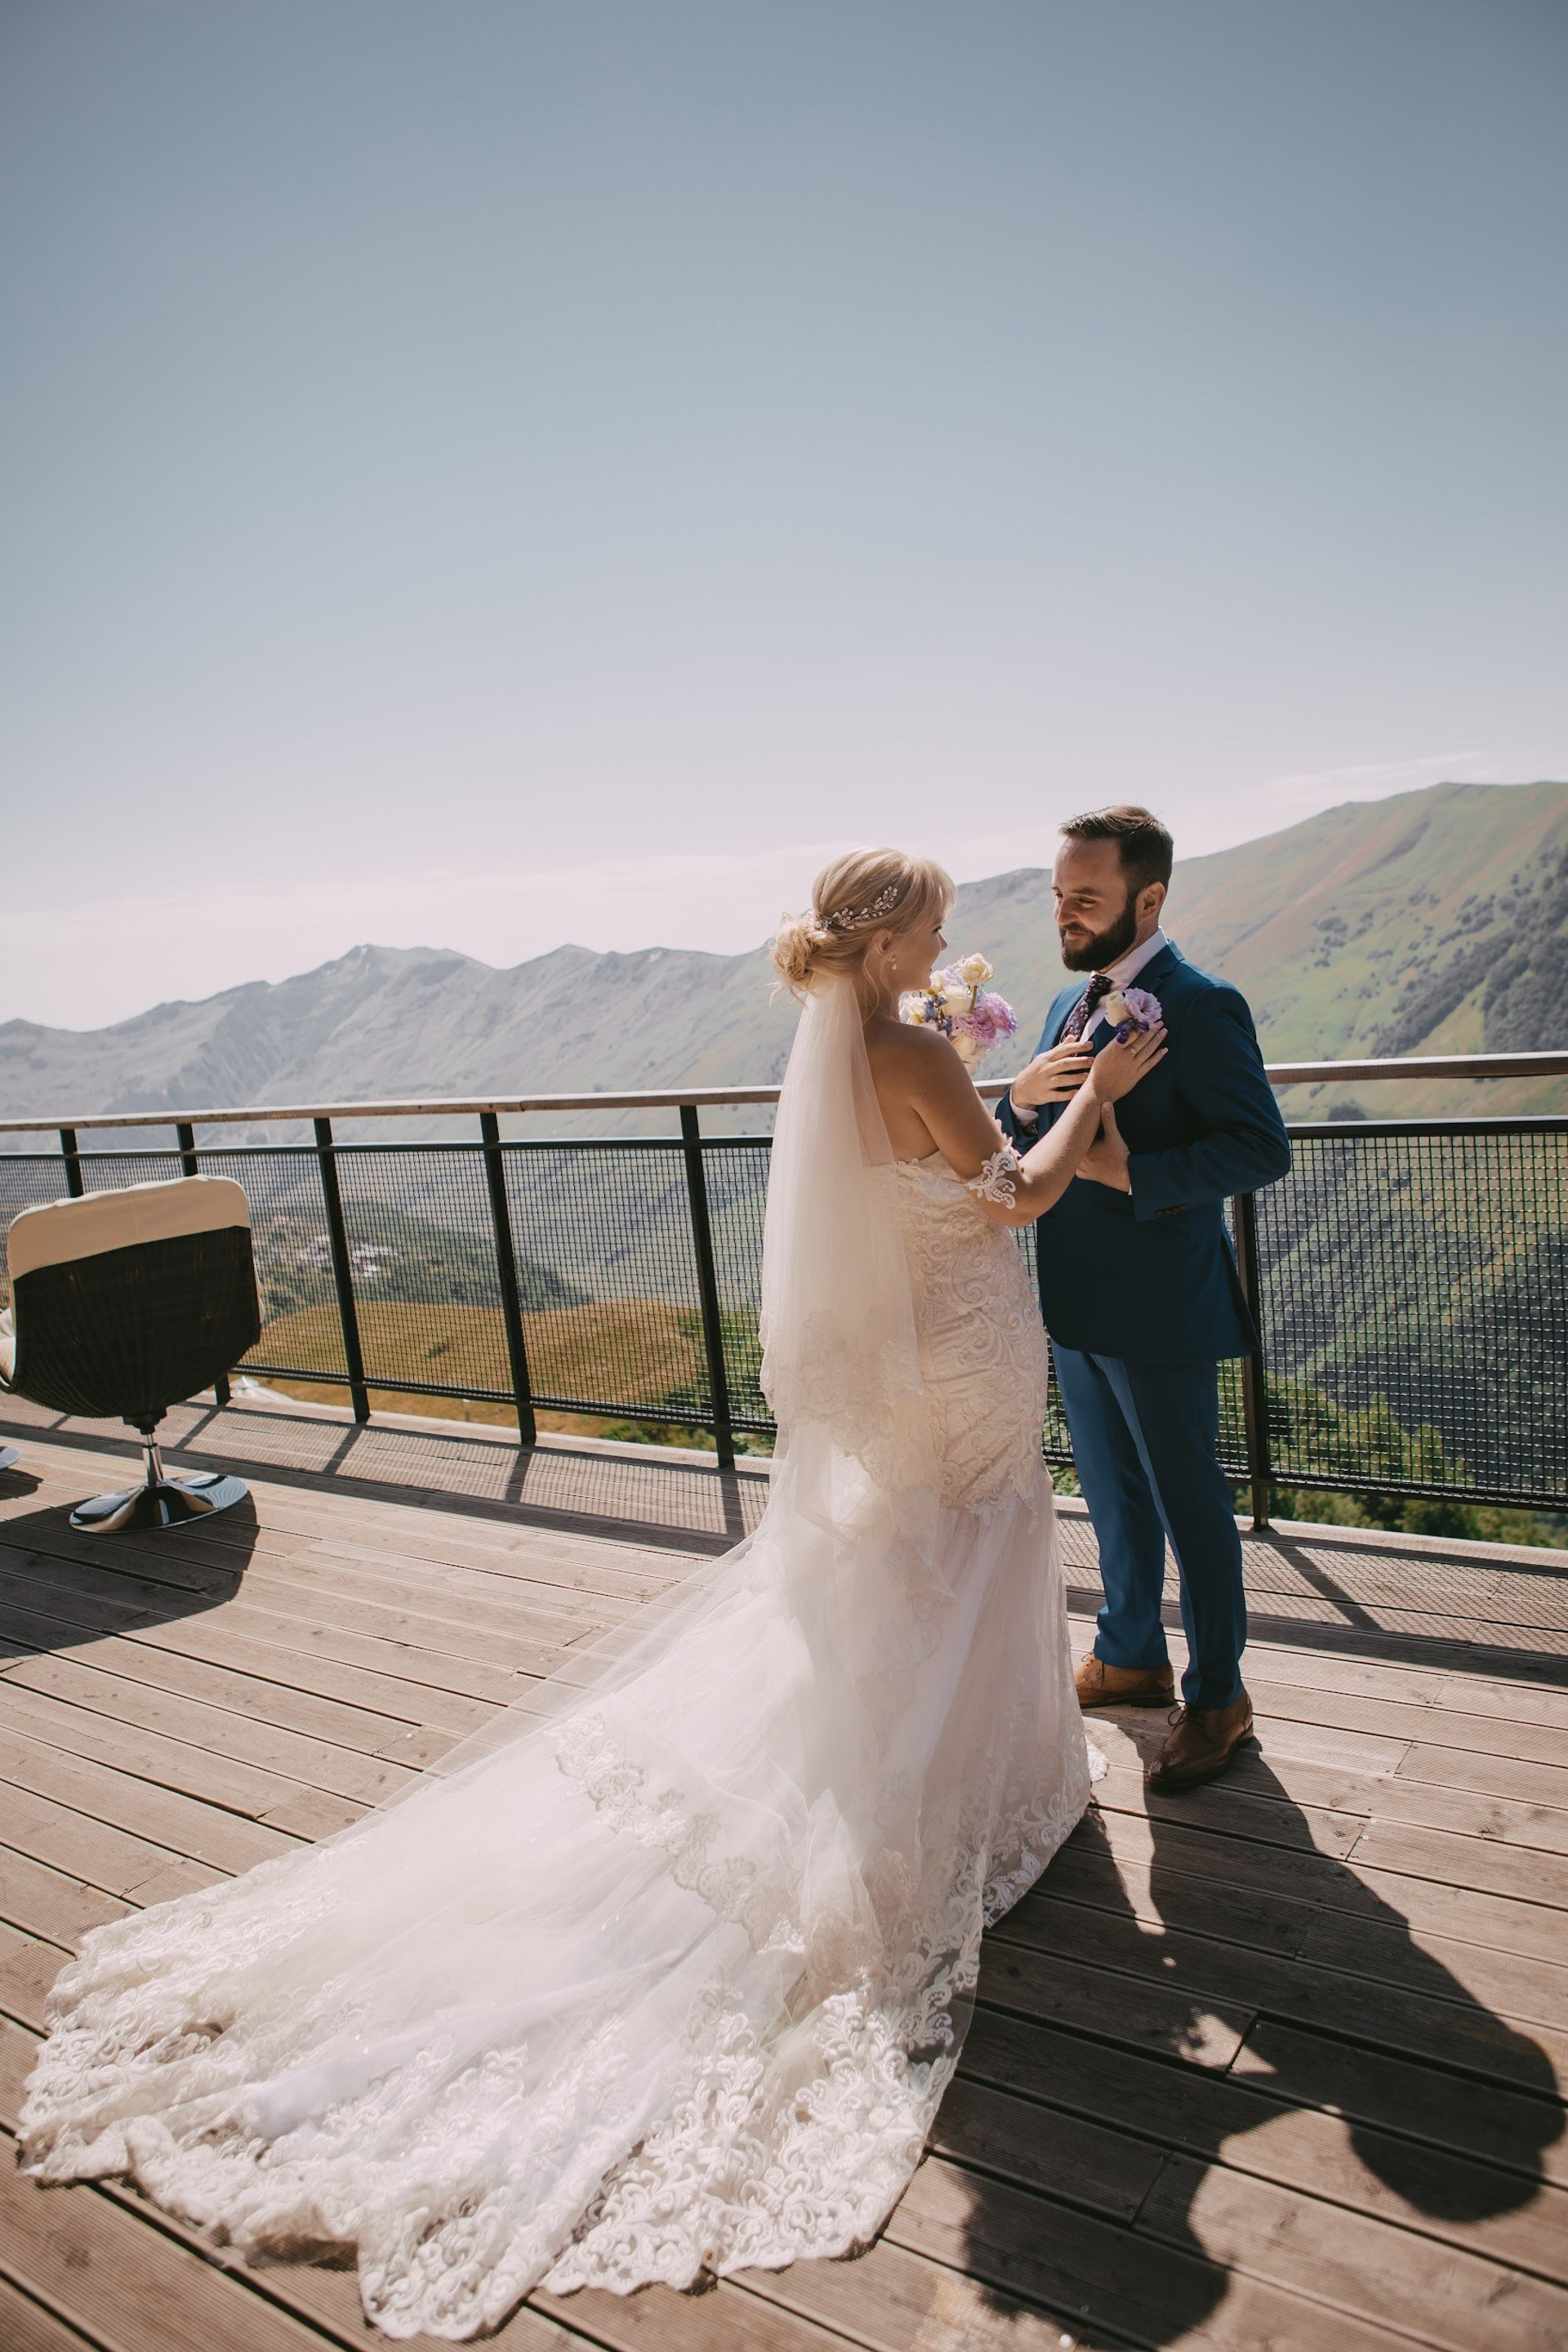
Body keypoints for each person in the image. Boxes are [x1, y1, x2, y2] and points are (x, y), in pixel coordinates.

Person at [21, 847, 1165, 2341]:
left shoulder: (849, 1050)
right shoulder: (905, 1046)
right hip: (961, 1348)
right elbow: (1010, 1195)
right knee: (972, 1545)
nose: (957, 929)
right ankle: (954, 1796)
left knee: (908, 1568)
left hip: (903, 1366)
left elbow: (944, 1155)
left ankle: (934, 1774)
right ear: (891, 941)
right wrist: (1105, 1092)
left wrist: (1019, 1088)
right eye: (938, 915)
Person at [1000, 805, 1292, 1793]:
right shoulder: (1065, 1005)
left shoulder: (1202, 1004)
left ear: (1149, 896)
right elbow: (1037, 1128)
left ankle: (1219, 1700)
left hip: (1162, 1302)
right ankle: (1129, 1654)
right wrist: (1022, 1097)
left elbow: (1260, 1148)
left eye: (1085, 897)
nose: (1065, 915)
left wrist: (1133, 1176)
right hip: (1075, 1298)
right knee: (1113, 1499)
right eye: (1058, 896)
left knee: (1191, 1505)